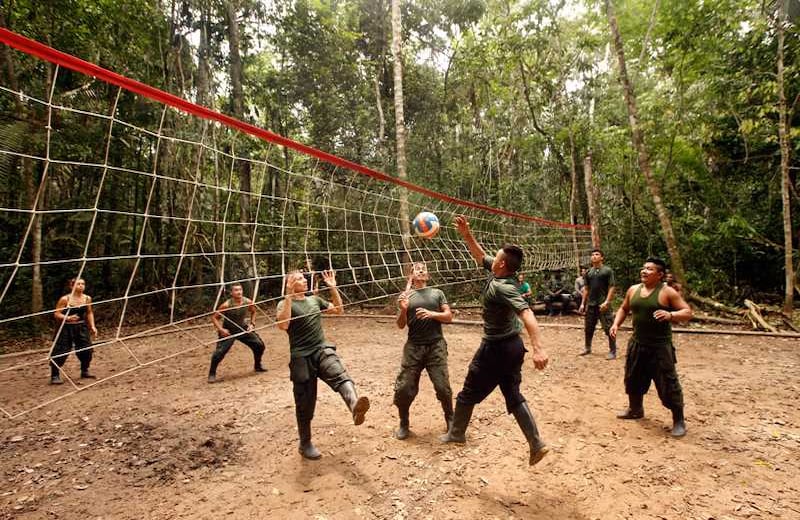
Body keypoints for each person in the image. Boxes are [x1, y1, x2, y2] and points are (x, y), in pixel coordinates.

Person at [441, 215, 549, 466]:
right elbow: (480, 256)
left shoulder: (504, 287)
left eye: (497, 257)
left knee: (467, 393)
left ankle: (456, 433)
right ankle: (536, 444)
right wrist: (466, 234)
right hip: (512, 346)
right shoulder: (501, 273)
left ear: (501, 265)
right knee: (512, 394)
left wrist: (539, 350)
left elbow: (528, 314)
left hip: (496, 347)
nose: (493, 258)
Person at [277, 269, 370, 460]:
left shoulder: (314, 300)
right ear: (290, 283)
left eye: (303, 277)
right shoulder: (285, 303)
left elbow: (338, 310)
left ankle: (354, 406)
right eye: (299, 278)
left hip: (321, 350)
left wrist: (333, 288)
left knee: (340, 375)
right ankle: (305, 444)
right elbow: (283, 325)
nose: (304, 280)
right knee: (305, 404)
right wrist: (287, 295)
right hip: (301, 357)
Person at [610, 257, 692, 437]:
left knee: (668, 383)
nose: (644, 271)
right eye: (644, 268)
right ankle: (635, 409)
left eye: (650, 269)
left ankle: (679, 420)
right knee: (633, 378)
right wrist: (616, 324)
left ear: (660, 275)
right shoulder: (633, 290)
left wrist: (670, 315)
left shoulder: (667, 292)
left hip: (660, 347)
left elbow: (687, 312)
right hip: (638, 343)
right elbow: (624, 308)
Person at [393, 262, 454, 440]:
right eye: (416, 268)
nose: (421, 270)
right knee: (404, 388)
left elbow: (449, 317)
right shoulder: (405, 296)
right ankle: (404, 424)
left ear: (427, 276)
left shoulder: (437, 293)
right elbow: (400, 325)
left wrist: (432, 314)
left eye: (424, 269)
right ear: (410, 276)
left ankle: (451, 422)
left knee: (443, 388)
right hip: (413, 347)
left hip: (436, 346)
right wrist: (403, 310)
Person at [208, 283, 267, 383]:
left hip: (242, 328)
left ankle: (258, 365)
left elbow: (254, 311)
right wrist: (221, 330)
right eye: (236, 290)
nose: (239, 292)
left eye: (240, 290)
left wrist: (252, 324)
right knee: (219, 353)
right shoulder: (226, 305)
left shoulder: (247, 301)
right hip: (229, 330)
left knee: (259, 345)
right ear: (231, 293)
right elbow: (214, 317)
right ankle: (212, 373)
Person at [50, 278, 98, 384]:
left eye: (83, 284)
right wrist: (67, 318)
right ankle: (54, 375)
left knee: (87, 349)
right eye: (78, 284)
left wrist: (92, 326)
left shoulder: (87, 298)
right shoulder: (65, 299)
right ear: (71, 286)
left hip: (81, 327)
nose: (81, 286)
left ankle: (85, 370)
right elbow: (56, 313)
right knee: (61, 351)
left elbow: (89, 312)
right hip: (66, 328)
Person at [579, 249, 617, 359]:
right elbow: (586, 289)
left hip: (603, 304)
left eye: (597, 254)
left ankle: (612, 351)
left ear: (602, 257)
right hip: (591, 304)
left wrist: (607, 302)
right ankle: (587, 348)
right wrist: (582, 304)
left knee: (608, 327)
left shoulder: (607, 271)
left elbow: (612, 287)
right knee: (588, 327)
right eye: (592, 255)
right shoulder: (588, 273)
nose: (594, 256)